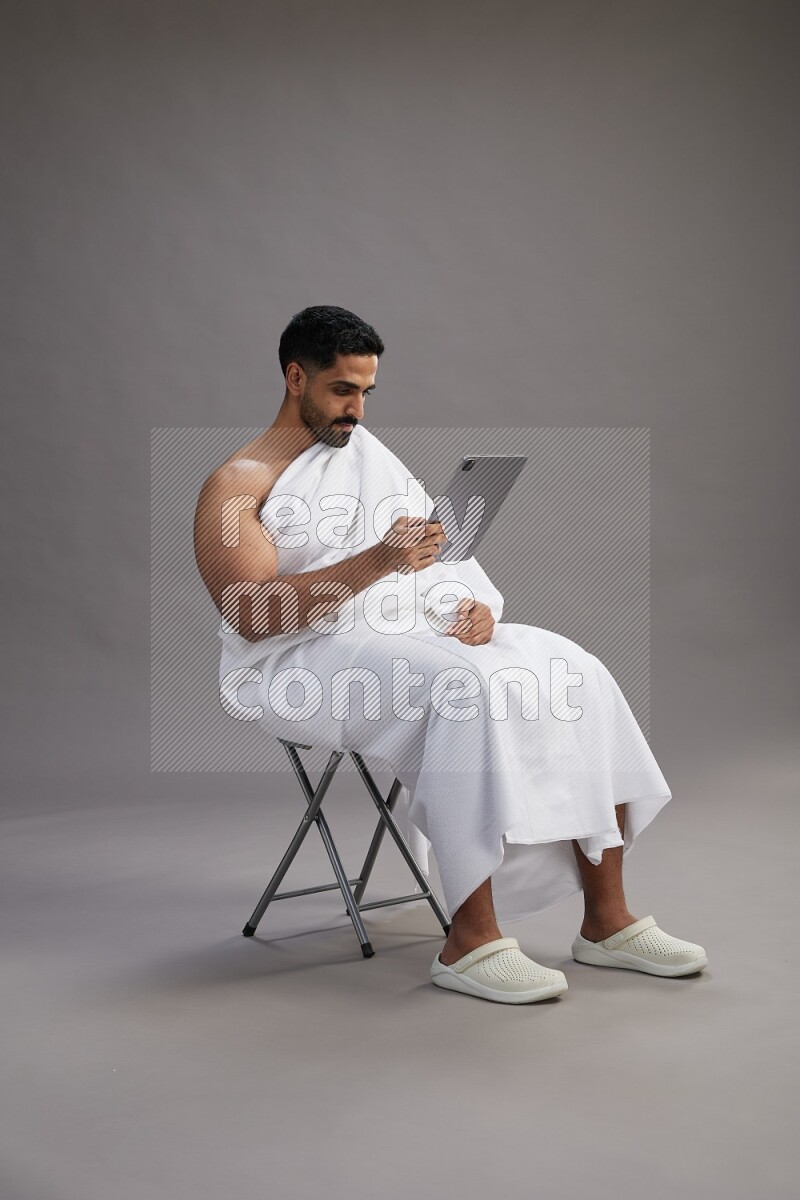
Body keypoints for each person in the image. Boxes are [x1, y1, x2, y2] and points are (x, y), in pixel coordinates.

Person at [193, 305, 708, 1004]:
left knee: (577, 671)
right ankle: (470, 940)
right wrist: (379, 560)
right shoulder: (235, 486)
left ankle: (606, 921)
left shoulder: (370, 459)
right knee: (462, 689)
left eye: (366, 392)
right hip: (301, 660)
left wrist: (473, 608)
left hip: (405, 630)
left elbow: (440, 562)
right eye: (342, 391)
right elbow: (254, 616)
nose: (357, 411)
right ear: (295, 378)